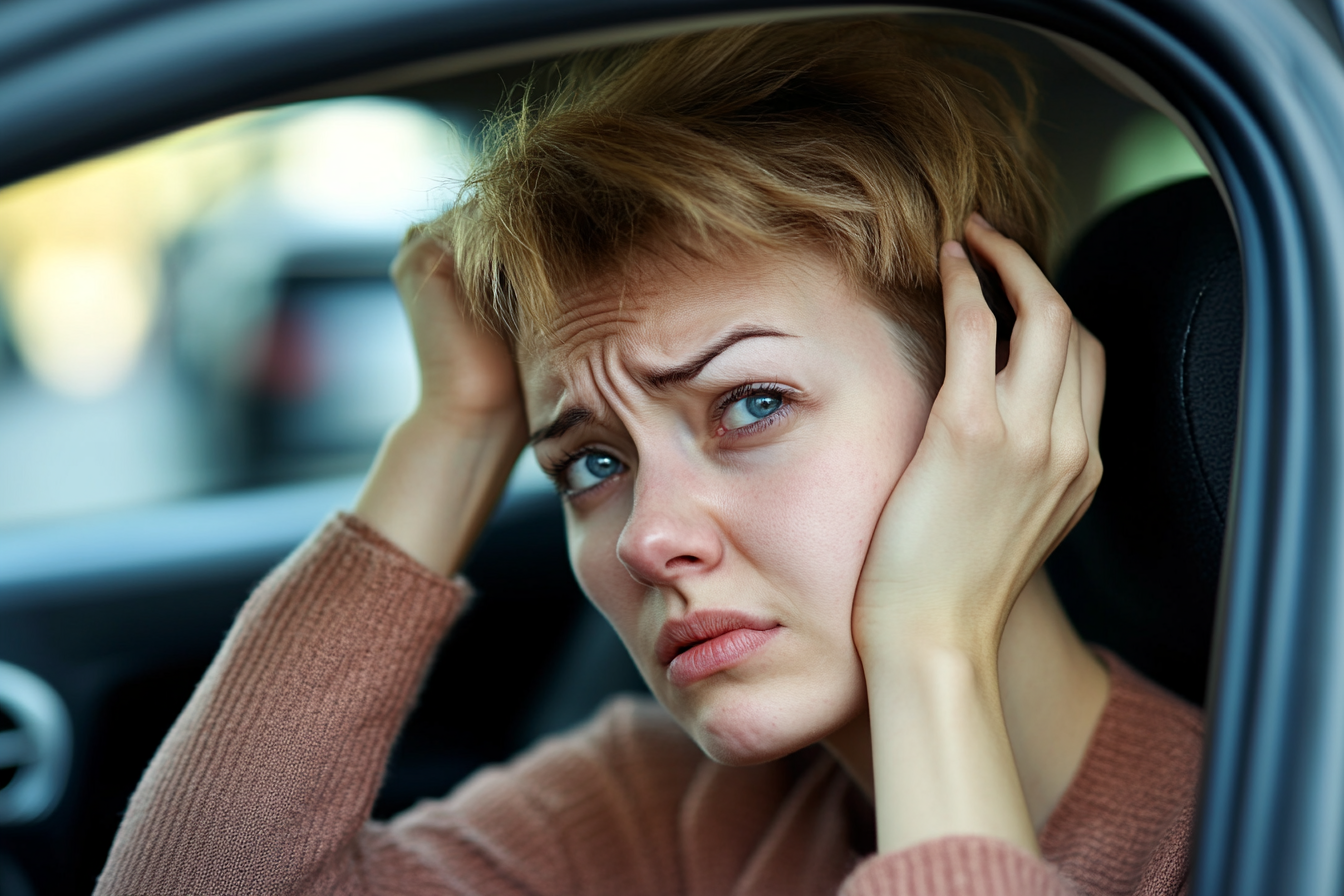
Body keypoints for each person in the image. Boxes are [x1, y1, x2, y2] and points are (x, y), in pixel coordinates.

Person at [95, 18, 1202, 896]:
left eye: (752, 404)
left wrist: (930, 643)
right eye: (589, 463)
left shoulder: (1249, 829)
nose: (646, 535)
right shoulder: (662, 805)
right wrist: (457, 425)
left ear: (995, 397)